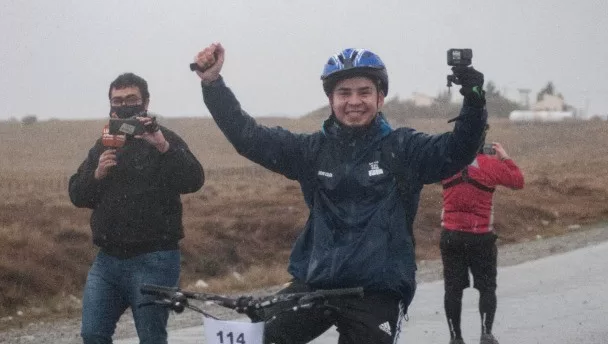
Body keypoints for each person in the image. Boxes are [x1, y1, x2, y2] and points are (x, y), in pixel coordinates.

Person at [194, 44, 486, 344]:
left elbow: (458, 149)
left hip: (378, 291)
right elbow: (249, 138)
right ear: (331, 100)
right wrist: (212, 84)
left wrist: (474, 101)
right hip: (317, 283)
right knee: (255, 337)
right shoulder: (312, 151)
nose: (354, 101)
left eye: (364, 92)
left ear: (380, 97)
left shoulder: (404, 148)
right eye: (344, 93)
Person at [68, 72, 205, 344]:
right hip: (107, 260)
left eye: (131, 98)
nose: (123, 105)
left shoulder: (164, 138)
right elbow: (77, 194)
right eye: (117, 100)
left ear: (145, 102)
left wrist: (163, 147)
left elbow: (194, 179)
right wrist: (96, 175)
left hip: (155, 259)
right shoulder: (105, 143)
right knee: (93, 334)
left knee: (151, 338)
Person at [440, 135, 524, 344]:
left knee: (453, 289)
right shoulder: (490, 164)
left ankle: (455, 337)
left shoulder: (447, 163)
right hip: (481, 237)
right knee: (487, 288)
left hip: (451, 235)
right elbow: (518, 182)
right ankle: (486, 333)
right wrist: (505, 158)